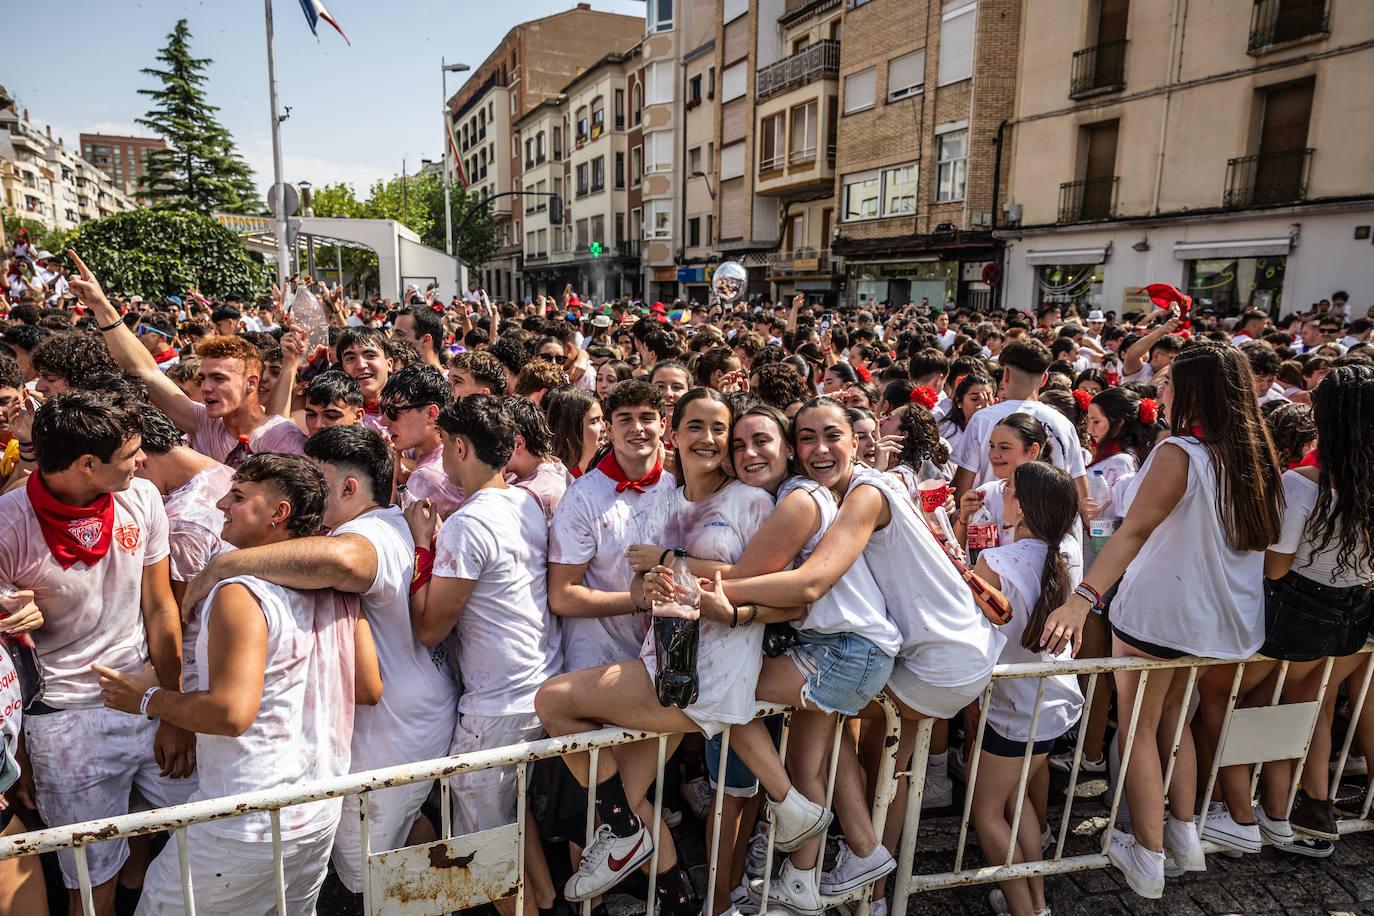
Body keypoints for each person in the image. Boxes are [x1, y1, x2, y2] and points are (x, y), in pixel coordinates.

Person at [538, 389, 799, 916]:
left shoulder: (741, 499)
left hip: (681, 675)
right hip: (636, 663)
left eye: (718, 428)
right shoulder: (650, 496)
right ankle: (683, 904)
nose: (707, 438)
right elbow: (563, 593)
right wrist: (645, 588)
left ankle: (788, 815)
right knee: (616, 811)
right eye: (695, 427)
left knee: (560, 717)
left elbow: (769, 583)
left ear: (662, 428)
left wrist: (680, 569)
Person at [1040, 343, 1284, 899]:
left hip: (1160, 615)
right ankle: (1182, 834)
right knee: (1173, 722)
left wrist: (1082, 599)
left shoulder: (1180, 453)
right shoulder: (1252, 454)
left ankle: (1148, 854)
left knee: (1143, 729)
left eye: (1170, 382)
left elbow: (1133, 530)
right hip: (1215, 621)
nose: (1160, 391)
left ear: (1194, 392)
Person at [97, 452, 375, 914]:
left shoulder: (240, 593)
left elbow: (230, 713)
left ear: (278, 514)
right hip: (316, 812)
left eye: (240, 496)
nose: (222, 503)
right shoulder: (338, 590)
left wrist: (147, 698)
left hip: (244, 821)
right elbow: (367, 687)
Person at [0, 390, 192, 916]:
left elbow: (159, 607)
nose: (143, 461)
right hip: (64, 723)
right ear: (87, 464)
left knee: (214, 829)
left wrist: (172, 707)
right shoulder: (7, 523)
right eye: (130, 454)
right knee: (90, 883)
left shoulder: (143, 497)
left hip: (144, 700)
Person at [408, 394, 563, 916]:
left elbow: (430, 627)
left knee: (491, 854)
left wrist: (422, 546)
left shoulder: (468, 524)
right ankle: (543, 900)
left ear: (460, 446)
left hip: (496, 707)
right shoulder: (524, 501)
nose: (440, 459)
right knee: (512, 825)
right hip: (535, 686)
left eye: (443, 446)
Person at [1254, 365, 1374, 851]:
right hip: (1355, 609)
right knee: (1318, 702)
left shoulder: (1302, 484)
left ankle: (1285, 811)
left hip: (1301, 611)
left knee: (1288, 706)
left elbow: (1276, 566)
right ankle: (1312, 808)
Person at [968, 462, 1082, 916]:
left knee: (988, 813)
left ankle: (1026, 908)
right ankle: (1035, 901)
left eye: (1008, 487)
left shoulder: (995, 561)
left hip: (1015, 707)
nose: (1001, 493)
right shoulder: (1068, 558)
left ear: (1020, 505)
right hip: (1055, 704)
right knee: (1018, 799)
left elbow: (974, 637)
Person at [67, 253, 306, 465]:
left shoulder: (283, 438)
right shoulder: (203, 423)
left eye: (218, 378)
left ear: (252, 383)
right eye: (203, 378)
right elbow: (146, 371)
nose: (207, 388)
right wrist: (101, 306)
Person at [951, 339, 1087, 502]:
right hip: (1052, 523)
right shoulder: (1063, 423)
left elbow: (961, 489)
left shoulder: (982, 419)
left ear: (1005, 375)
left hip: (995, 522)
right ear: (1044, 379)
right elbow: (1082, 495)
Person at [383, 365, 464, 520]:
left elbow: (395, 528)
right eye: (382, 410)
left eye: (393, 412)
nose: (384, 421)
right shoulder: (451, 454)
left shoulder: (425, 477)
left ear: (430, 413)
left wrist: (392, 478)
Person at [335, 327, 394, 435]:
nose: (361, 365)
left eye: (370, 356)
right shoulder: (334, 417)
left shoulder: (414, 411)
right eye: (350, 358)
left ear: (389, 364)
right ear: (343, 368)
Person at [546, 386, 606, 479]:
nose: (604, 427)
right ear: (572, 429)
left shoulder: (614, 469)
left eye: (602, 419)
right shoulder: (556, 479)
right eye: (594, 421)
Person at [301, 370, 366, 435]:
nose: (318, 425)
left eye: (331, 416)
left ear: (358, 416)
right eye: (311, 414)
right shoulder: (297, 443)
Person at [391, 305, 446, 370]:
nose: (392, 339)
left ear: (426, 340)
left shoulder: (450, 379)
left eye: (400, 334)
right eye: (393, 333)